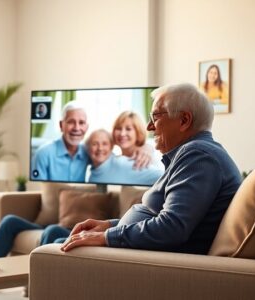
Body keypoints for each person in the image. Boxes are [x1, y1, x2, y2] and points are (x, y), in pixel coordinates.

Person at [61, 83, 242, 255]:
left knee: (57, 242)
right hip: (143, 253)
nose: (149, 126)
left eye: (155, 116)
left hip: (152, 260)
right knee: (61, 238)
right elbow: (165, 219)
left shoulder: (198, 155)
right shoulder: (196, 154)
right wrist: (110, 226)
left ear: (184, 120)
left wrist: (107, 236)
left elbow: (172, 228)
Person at [31, 101, 89, 181]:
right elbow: (39, 189)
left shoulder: (88, 152)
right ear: (61, 125)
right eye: (71, 122)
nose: (77, 128)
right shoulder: (43, 154)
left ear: (87, 127)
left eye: (81, 123)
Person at [86, 129, 162, 185]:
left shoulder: (122, 163)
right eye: (94, 144)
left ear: (111, 147)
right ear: (88, 148)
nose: (100, 148)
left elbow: (163, 176)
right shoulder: (93, 174)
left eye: (105, 144)